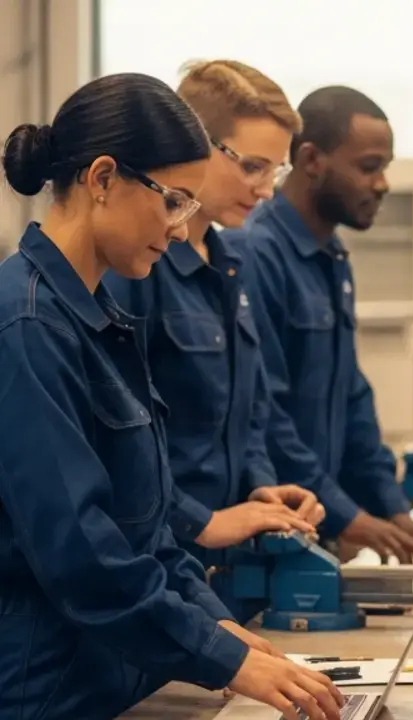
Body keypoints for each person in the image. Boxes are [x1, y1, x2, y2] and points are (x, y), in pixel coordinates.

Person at [0, 73, 344, 720]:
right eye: (174, 203)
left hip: (118, 683)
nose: (182, 230)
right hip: (46, 694)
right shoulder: (25, 329)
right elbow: (85, 557)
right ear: (102, 179)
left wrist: (223, 632)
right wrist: (220, 656)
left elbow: (148, 533)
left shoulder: (100, 322)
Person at [102, 60, 325, 620]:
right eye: (252, 166)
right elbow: (119, 447)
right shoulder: (136, 270)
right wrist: (200, 522)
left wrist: (261, 490)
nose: (266, 191)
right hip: (159, 568)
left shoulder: (229, 265)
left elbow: (248, 417)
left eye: (274, 171)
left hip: (225, 573)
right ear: (195, 145)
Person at [227, 86, 413, 564]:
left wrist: (393, 512)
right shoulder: (254, 254)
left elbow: (351, 396)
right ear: (312, 159)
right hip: (273, 532)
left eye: (386, 167)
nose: (382, 184)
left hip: (320, 530)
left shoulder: (332, 257)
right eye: (369, 166)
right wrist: (347, 516)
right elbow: (265, 413)